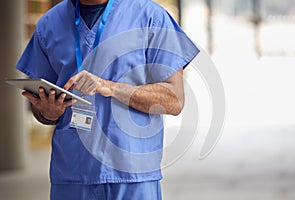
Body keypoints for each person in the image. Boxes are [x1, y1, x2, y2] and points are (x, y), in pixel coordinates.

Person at [17, 0, 199, 199]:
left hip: (132, 174)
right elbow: (41, 109)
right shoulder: (49, 24)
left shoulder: (150, 17)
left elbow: (174, 99)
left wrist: (110, 87)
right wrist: (49, 112)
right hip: (72, 173)